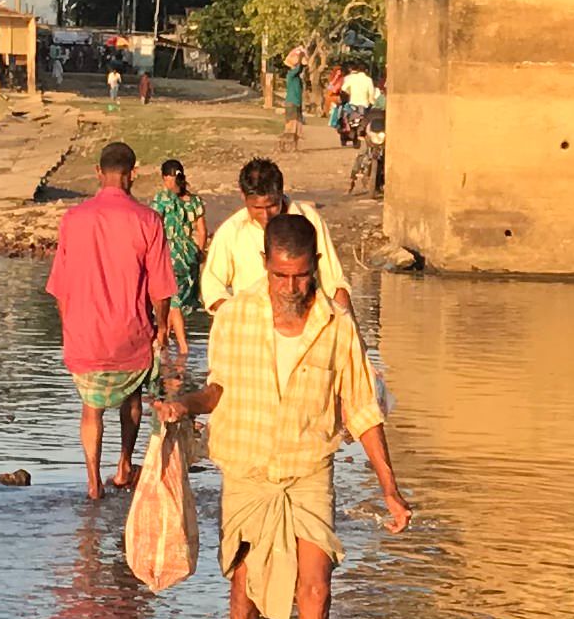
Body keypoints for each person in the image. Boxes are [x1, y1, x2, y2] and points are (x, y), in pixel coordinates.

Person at [164, 214, 407, 619]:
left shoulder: (337, 327)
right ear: (265, 265)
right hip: (248, 469)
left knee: (316, 589)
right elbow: (217, 389)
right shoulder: (235, 318)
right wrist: (185, 405)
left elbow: (361, 409)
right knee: (244, 597)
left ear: (315, 266)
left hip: (308, 469)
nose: (290, 287)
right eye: (280, 275)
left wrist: (391, 489)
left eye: (300, 275)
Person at [42, 139, 179, 501]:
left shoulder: (74, 219)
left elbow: (60, 287)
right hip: (130, 332)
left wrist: (68, 326)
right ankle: (123, 466)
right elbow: (161, 287)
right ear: (134, 174)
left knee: (91, 408)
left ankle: (91, 482)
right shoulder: (148, 220)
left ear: (98, 173)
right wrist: (162, 326)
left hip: (85, 333)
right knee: (131, 401)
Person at [196, 156, 351, 320]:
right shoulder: (232, 231)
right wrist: (237, 316)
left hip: (306, 324)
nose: (265, 215)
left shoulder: (308, 220)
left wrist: (348, 328)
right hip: (252, 327)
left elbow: (334, 282)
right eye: (257, 208)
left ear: (280, 193)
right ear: (244, 197)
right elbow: (212, 286)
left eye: (271, 206)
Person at [153, 158, 211, 315]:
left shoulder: (162, 200)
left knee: (171, 300)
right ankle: (176, 336)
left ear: (165, 177)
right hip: (189, 253)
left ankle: (167, 335)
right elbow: (202, 230)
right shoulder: (194, 201)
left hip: (169, 254)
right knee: (183, 300)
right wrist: (198, 251)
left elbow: (155, 225)